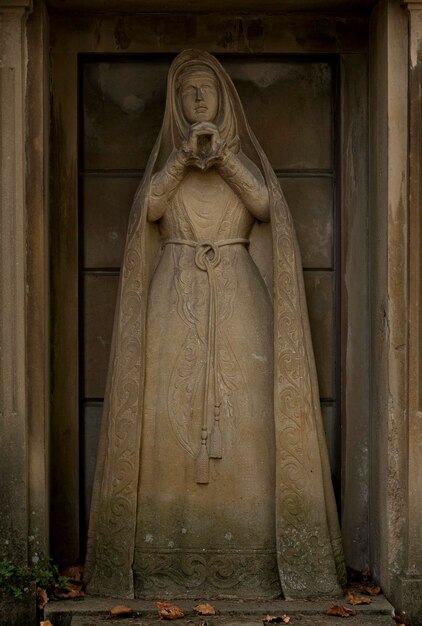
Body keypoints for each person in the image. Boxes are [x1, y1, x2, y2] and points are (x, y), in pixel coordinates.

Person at [84, 49, 346, 600]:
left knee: (243, 409)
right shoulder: (171, 164)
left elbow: (264, 206)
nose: (197, 98)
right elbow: (151, 210)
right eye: (187, 92)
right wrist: (182, 158)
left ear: (224, 100)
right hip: (173, 297)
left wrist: (222, 156)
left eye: (206, 90)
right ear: (175, 105)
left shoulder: (238, 162)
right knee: (164, 413)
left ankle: (254, 544)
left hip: (237, 298)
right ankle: (159, 552)